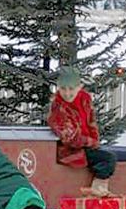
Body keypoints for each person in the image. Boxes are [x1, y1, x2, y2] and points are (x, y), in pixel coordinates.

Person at [46, 67, 117, 197]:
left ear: (79, 87)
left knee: (105, 157)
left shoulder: (84, 99)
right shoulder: (58, 108)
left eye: (71, 89)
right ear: (58, 88)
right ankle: (97, 190)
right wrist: (90, 142)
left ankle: (98, 189)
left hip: (86, 147)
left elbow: (91, 121)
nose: (67, 93)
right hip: (70, 151)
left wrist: (95, 140)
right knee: (108, 159)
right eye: (63, 89)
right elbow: (70, 138)